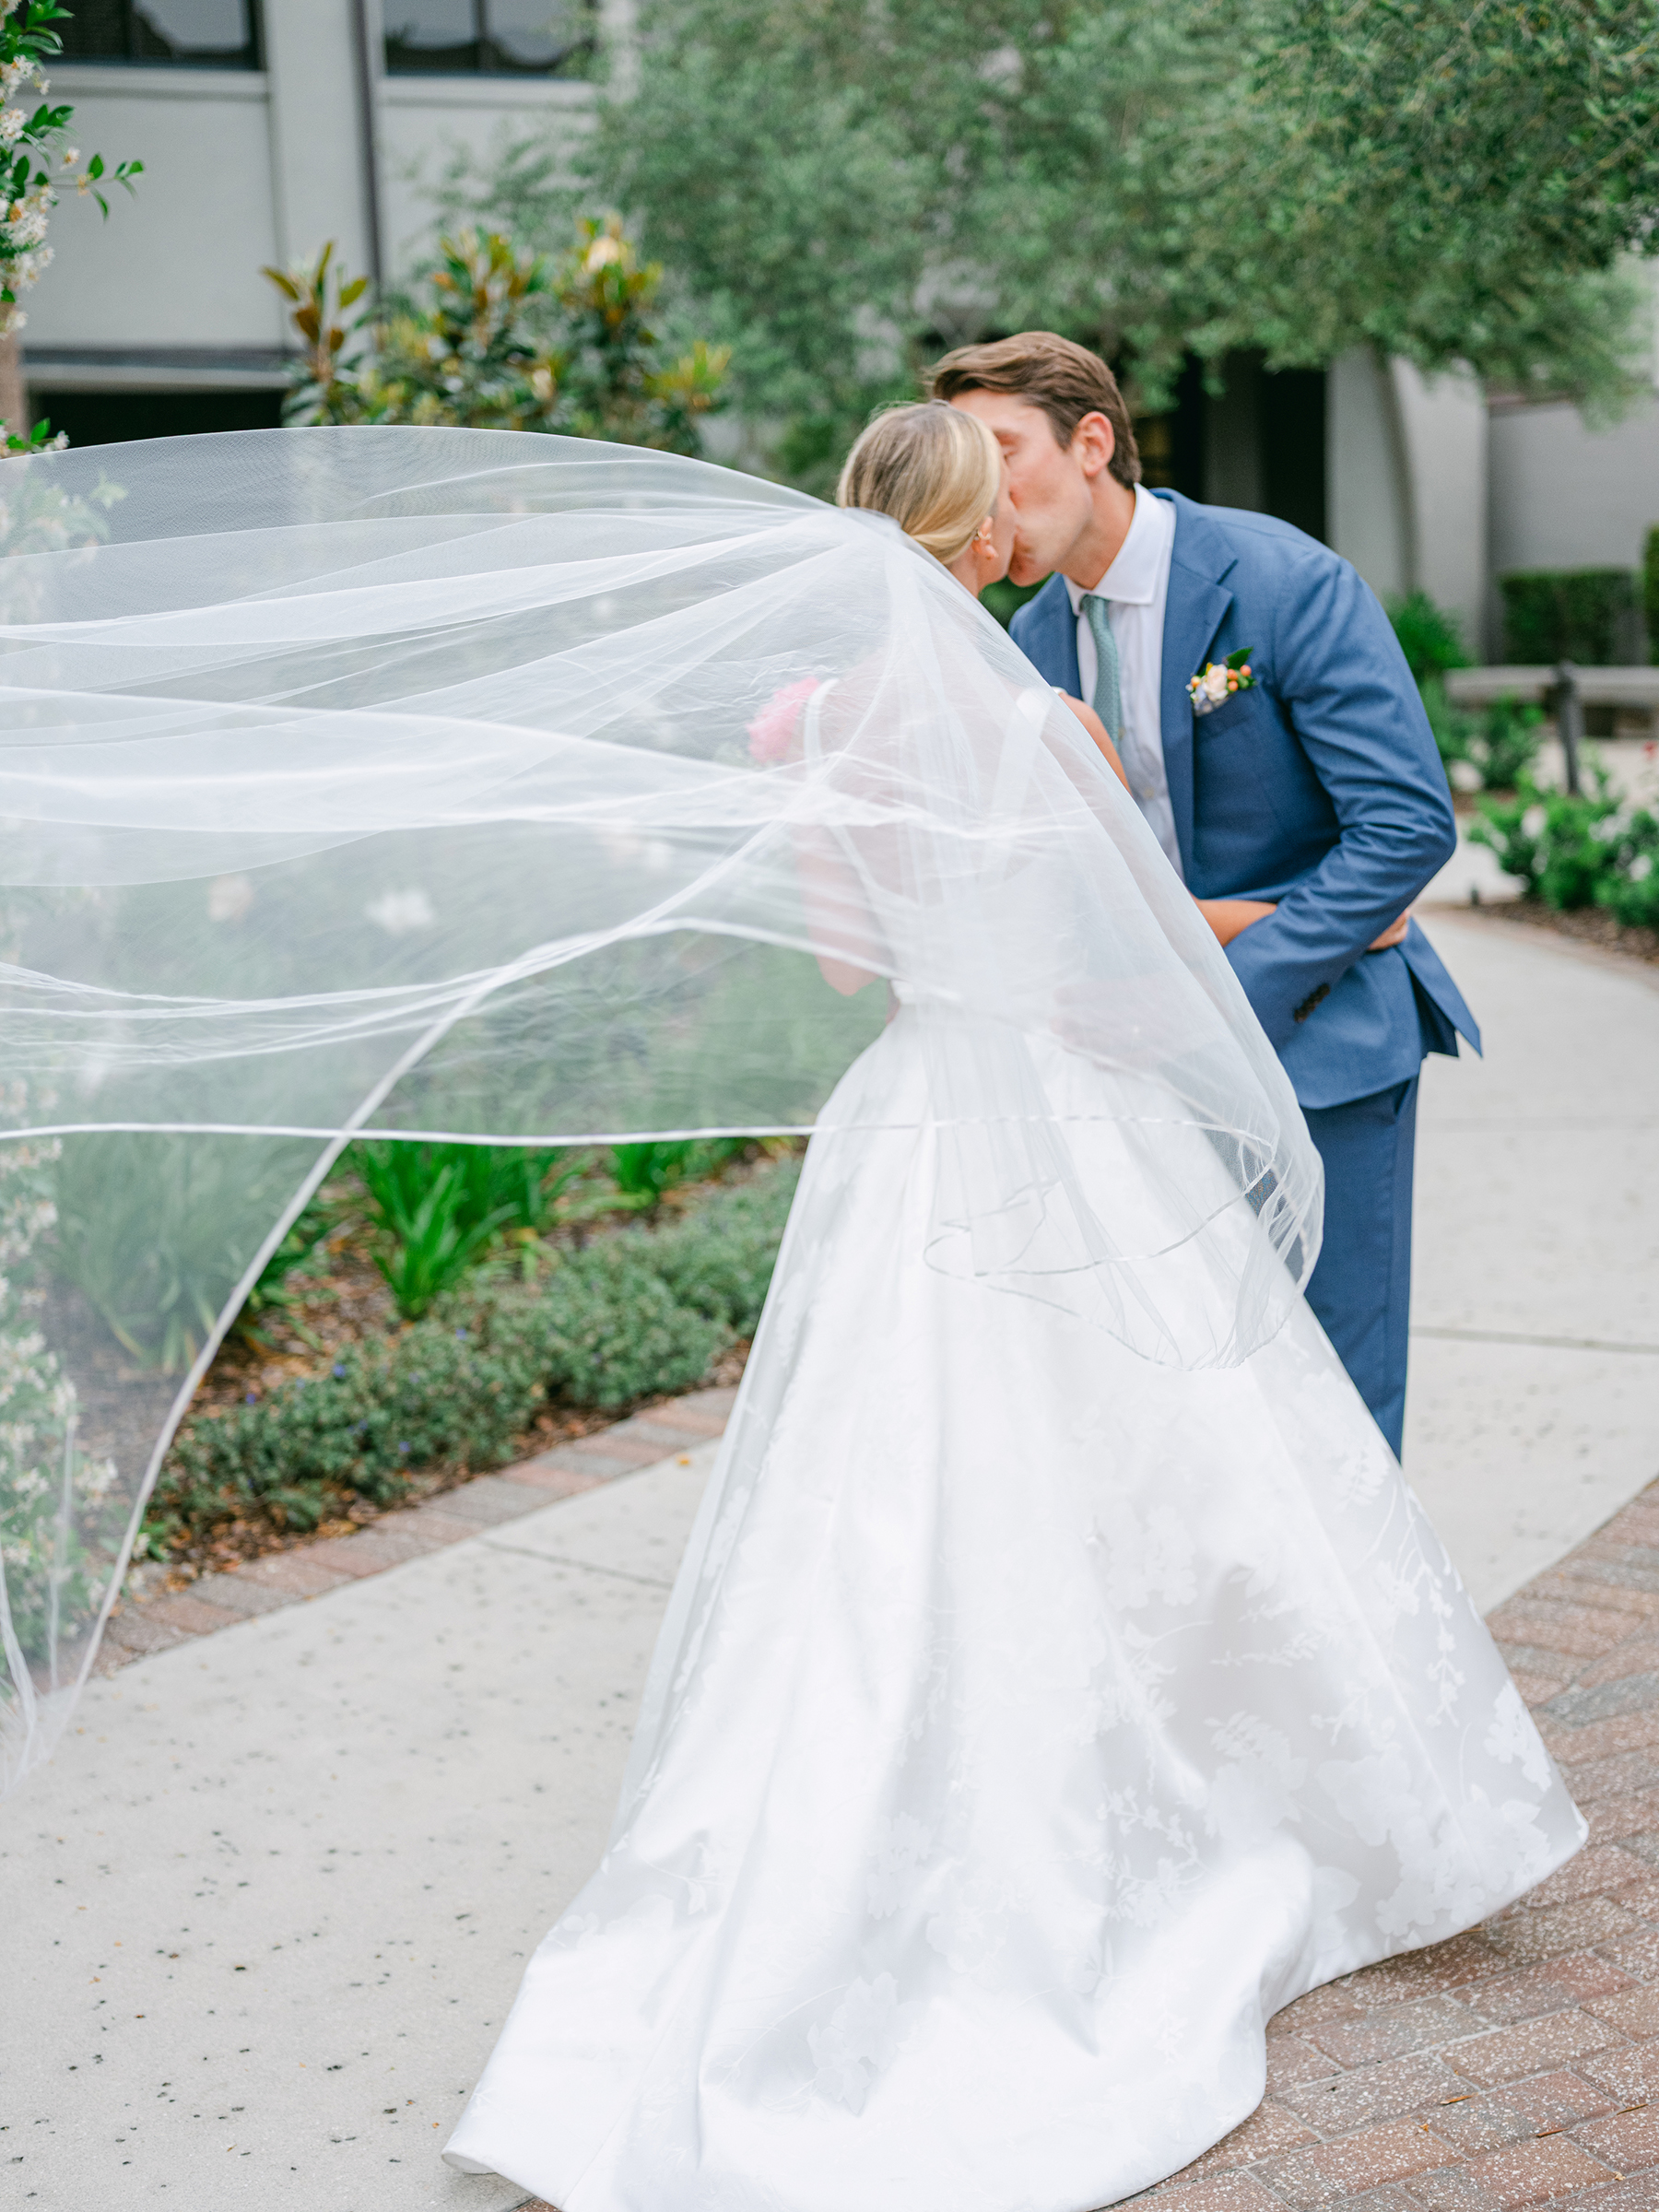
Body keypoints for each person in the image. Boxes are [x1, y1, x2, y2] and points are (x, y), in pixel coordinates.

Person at [442, 405, 1581, 2211]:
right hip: (1061, 1108)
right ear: (976, 541)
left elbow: (847, 965)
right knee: (1173, 1463)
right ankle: (1217, 1782)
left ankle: (856, 1819)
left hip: (906, 1118)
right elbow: (1133, 944)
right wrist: (1245, 931)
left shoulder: (805, 729)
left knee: (881, 1496)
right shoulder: (1042, 723)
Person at [935, 335, 1475, 1459]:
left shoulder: (1281, 581)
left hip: (1325, 1046)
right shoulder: (1029, 640)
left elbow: (1407, 826)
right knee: (1208, 1411)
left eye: (1003, 452)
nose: (985, 493)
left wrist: (1223, 991)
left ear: (1091, 443)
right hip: (1135, 1072)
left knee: (1336, 1408)